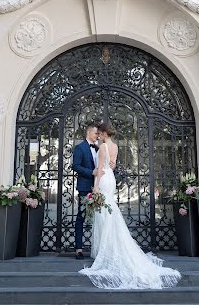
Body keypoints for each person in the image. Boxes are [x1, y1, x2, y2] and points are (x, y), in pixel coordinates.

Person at [79, 122, 181, 289]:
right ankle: (110, 247)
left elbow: (99, 168)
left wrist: (96, 186)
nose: (98, 135)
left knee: (104, 212)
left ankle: (107, 250)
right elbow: (112, 165)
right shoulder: (115, 146)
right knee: (108, 210)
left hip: (103, 179)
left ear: (104, 133)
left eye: (100, 133)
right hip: (110, 178)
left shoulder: (103, 147)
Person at [72, 121, 112, 260]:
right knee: (81, 217)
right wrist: (92, 172)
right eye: (96, 133)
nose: (98, 135)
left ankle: (102, 248)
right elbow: (75, 166)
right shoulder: (80, 148)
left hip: (100, 187)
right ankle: (78, 249)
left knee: (101, 217)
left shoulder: (100, 147)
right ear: (89, 133)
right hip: (85, 187)